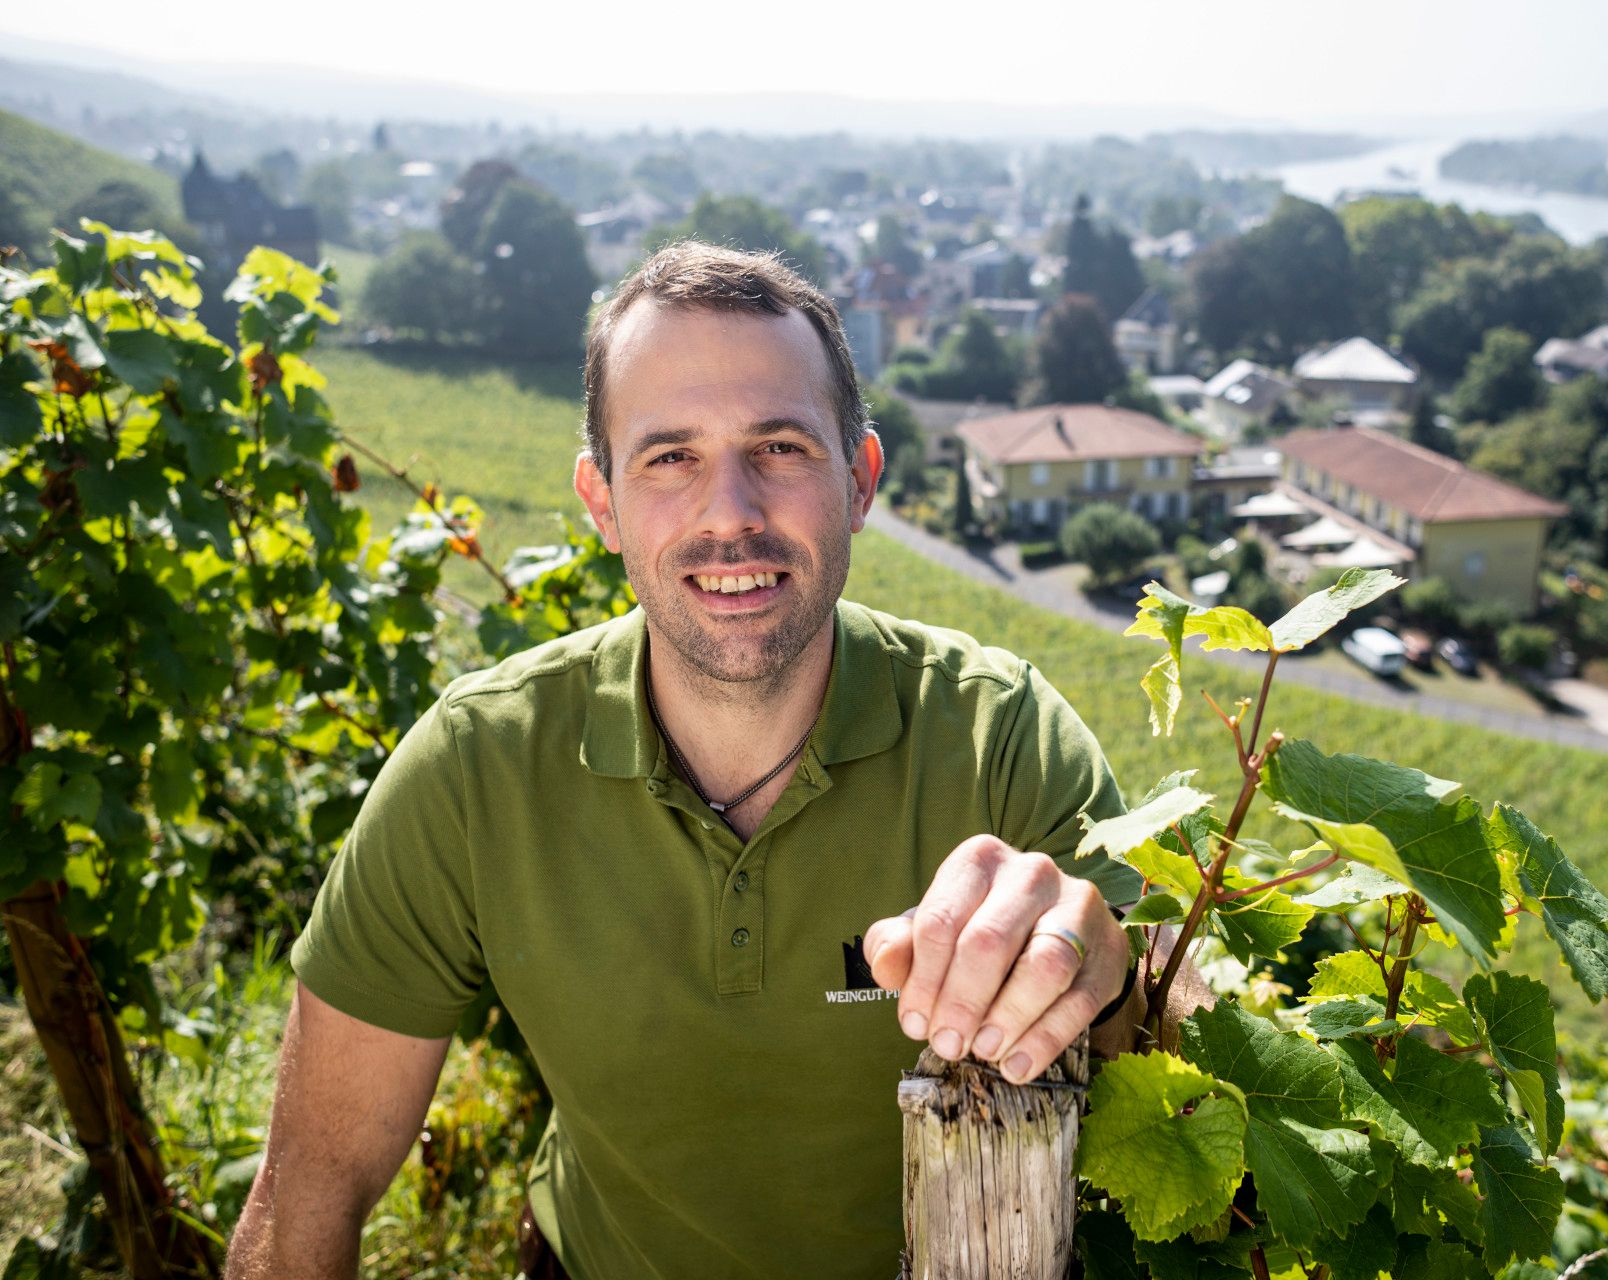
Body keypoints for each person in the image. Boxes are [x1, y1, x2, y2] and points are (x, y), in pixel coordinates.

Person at [225, 242, 1172, 1280]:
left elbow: (1176, 1079)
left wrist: (1114, 977)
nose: (731, 512)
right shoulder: (477, 766)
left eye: (779, 448)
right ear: (602, 501)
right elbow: (314, 1176)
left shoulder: (1003, 741)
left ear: (859, 480)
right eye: (669, 456)